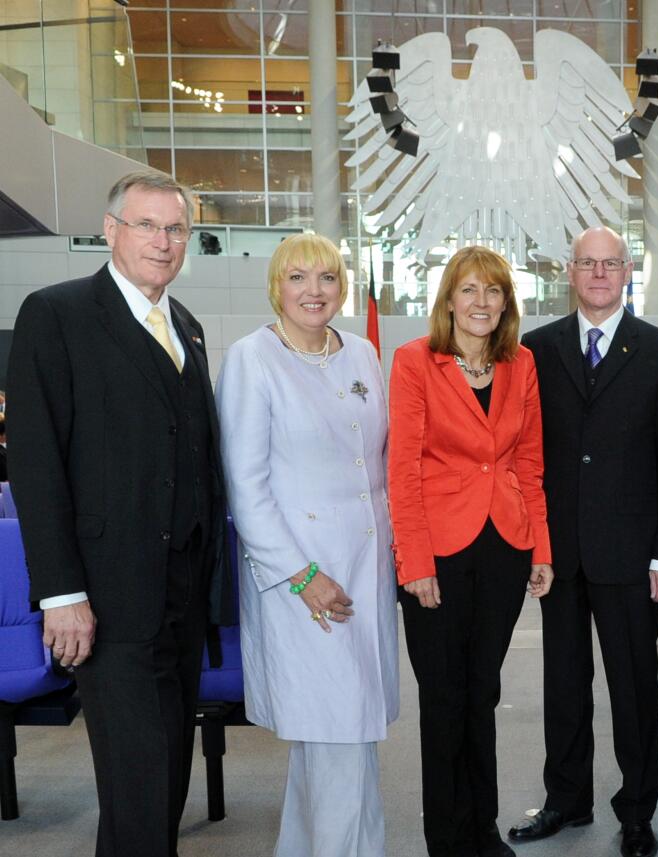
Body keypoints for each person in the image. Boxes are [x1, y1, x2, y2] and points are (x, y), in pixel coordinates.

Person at [6, 170, 231, 857]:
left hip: (182, 594)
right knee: (137, 776)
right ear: (110, 230)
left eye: (177, 228)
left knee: (163, 776)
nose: (163, 242)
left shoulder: (185, 324)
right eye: (147, 225)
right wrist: (62, 592)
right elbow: (37, 469)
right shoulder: (57, 314)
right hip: (106, 594)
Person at [509, 226, 658, 857]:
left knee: (634, 685)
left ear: (627, 271)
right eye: (587, 263)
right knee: (563, 684)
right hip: (558, 552)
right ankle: (566, 799)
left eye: (609, 263)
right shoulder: (534, 349)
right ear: (570, 271)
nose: (598, 274)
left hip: (633, 553)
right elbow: (524, 454)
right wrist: (533, 544)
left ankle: (637, 810)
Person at [215, 233, 399, 856]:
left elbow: (375, 466)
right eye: (298, 278)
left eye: (325, 278)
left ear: (342, 287)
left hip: (366, 576)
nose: (313, 291)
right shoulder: (251, 359)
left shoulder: (364, 354)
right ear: (276, 287)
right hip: (305, 583)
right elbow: (247, 488)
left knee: (342, 739)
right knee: (340, 735)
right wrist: (301, 575)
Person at [389, 245, 554, 857]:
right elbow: (401, 468)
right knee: (444, 695)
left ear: (507, 302)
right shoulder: (414, 361)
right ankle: (446, 839)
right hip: (439, 548)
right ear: (448, 300)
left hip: (504, 546)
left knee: (482, 689)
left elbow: (529, 460)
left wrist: (540, 544)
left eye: (494, 291)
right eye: (470, 290)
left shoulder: (522, 363)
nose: (482, 302)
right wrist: (415, 561)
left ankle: (481, 829)